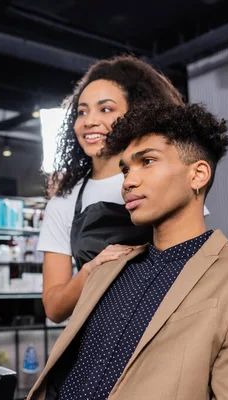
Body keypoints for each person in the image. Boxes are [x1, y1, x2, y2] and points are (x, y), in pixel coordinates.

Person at [27, 101, 228, 400]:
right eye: (126, 169)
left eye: (148, 161)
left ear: (198, 175)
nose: (129, 181)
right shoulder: (110, 267)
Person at [38, 55, 209, 323]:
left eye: (105, 109)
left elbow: (195, 262)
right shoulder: (64, 202)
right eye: (82, 111)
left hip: (168, 328)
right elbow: (54, 308)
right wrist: (91, 271)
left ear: (136, 114)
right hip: (96, 338)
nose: (89, 121)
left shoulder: (165, 180)